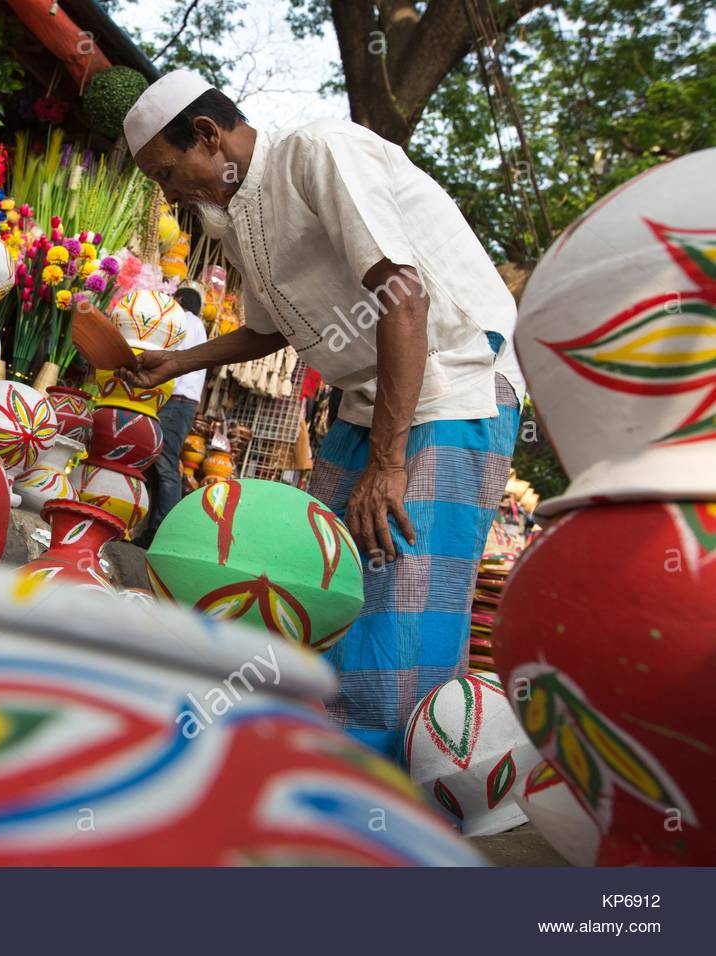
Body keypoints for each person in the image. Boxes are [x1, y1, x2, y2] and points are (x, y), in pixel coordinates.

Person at [118, 70, 524, 759]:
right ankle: (307, 752)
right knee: (319, 566)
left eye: (167, 170)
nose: (169, 192)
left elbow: (404, 297)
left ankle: (383, 787)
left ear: (209, 136)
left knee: (400, 587)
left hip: (456, 381)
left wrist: (391, 464)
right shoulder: (239, 215)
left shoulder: (319, 152)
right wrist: (175, 363)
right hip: (373, 397)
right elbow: (270, 329)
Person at [135, 283, 207, 547]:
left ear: (178, 300)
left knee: (165, 463)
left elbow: (173, 361)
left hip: (176, 401)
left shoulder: (187, 322)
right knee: (158, 464)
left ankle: (163, 530)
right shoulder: (197, 326)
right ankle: (152, 529)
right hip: (179, 401)